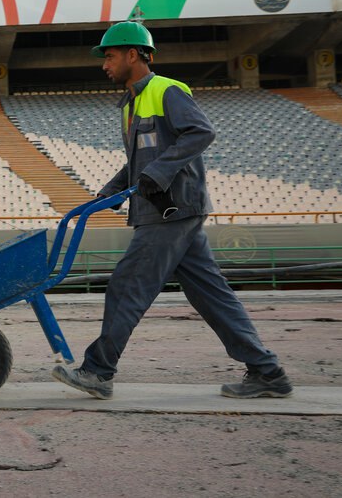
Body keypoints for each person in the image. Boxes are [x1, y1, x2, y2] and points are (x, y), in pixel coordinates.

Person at [51, 21, 292, 400]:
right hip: (170, 212)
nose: (104, 64)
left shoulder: (166, 90)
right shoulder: (129, 104)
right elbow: (140, 161)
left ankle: (98, 371)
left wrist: (158, 173)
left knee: (127, 286)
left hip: (171, 211)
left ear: (134, 54)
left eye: (110, 56)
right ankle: (268, 373)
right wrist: (109, 192)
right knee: (212, 296)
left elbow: (201, 132)